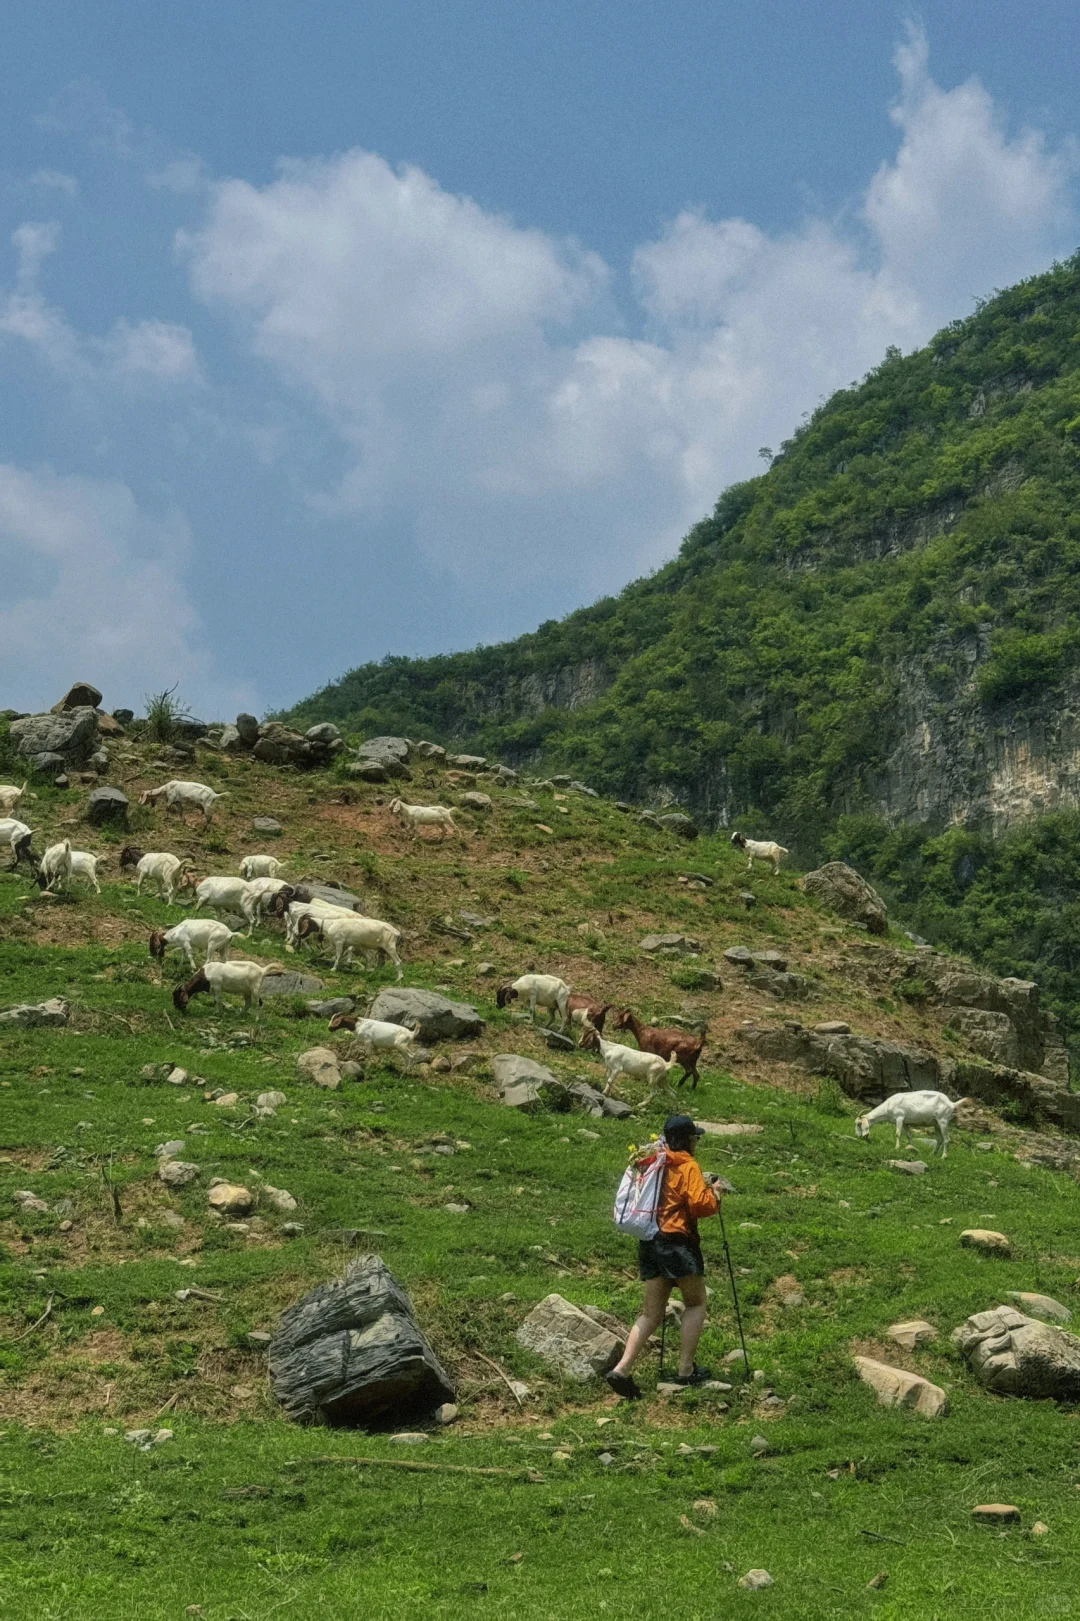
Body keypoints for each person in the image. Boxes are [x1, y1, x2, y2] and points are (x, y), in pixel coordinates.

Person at [606, 1113, 726, 1399]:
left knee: (651, 1313)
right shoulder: (687, 1165)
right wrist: (716, 1194)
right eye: (695, 1137)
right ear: (688, 1140)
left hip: (650, 1240)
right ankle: (685, 1371)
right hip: (677, 1242)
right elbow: (700, 1204)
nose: (697, 1141)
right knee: (695, 1303)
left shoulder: (654, 1161)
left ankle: (621, 1368)